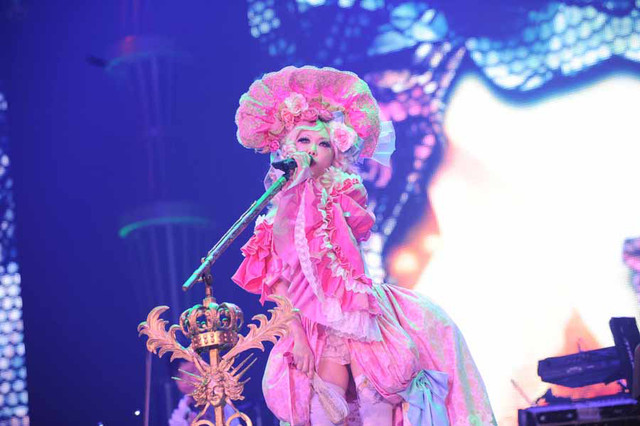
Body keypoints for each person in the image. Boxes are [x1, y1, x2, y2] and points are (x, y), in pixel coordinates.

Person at [232, 66, 495, 425]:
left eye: (324, 143)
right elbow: (279, 283)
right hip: (313, 326)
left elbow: (347, 260)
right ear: (288, 148)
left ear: (335, 153)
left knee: (376, 398)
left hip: (357, 312)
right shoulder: (272, 221)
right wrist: (298, 338)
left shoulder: (341, 196)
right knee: (322, 411)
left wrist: (310, 193)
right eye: (304, 141)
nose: (313, 150)